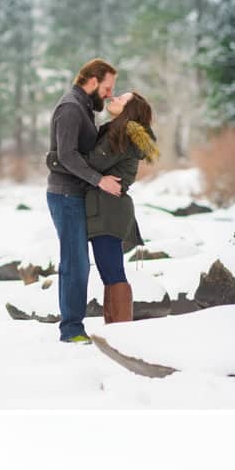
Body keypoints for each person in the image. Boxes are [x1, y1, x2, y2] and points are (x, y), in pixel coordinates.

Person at [46, 57, 120, 346]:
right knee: (74, 263)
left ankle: (75, 326)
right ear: (92, 81)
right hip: (64, 195)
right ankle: (71, 329)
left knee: (80, 262)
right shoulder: (71, 108)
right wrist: (99, 180)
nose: (110, 93)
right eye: (107, 87)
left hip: (76, 195)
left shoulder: (85, 108)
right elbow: (66, 154)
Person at [84, 89, 158, 326]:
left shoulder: (122, 134)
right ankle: (116, 329)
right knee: (110, 272)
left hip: (108, 211)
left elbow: (93, 162)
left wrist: (58, 157)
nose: (113, 98)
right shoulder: (118, 131)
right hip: (107, 209)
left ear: (129, 110)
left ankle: (121, 331)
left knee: (112, 272)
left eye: (121, 99)